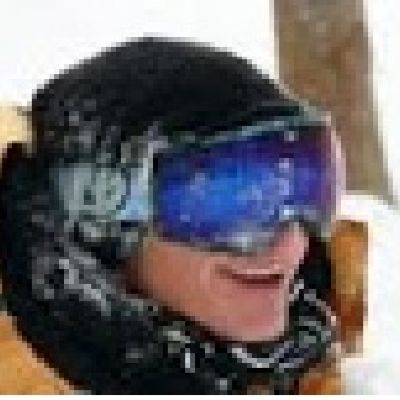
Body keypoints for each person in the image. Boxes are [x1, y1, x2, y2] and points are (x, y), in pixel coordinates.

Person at [0, 37, 344, 394]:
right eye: (229, 202)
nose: (290, 248)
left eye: (307, 190)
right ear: (100, 227)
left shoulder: (338, 361)